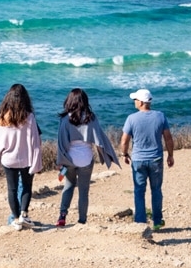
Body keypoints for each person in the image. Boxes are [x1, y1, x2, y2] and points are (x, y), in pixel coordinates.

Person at [56, 88, 119, 226]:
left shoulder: (65, 119)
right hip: (86, 159)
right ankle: (82, 220)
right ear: (85, 101)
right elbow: (99, 139)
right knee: (84, 190)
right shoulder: (91, 118)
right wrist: (106, 155)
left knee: (69, 185)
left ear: (69, 101)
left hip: (70, 159)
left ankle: (62, 215)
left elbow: (61, 143)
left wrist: (60, 162)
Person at [119, 89, 174, 231]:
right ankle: (157, 221)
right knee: (156, 190)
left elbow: (124, 141)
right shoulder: (160, 116)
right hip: (156, 158)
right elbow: (168, 138)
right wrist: (170, 155)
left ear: (142, 102)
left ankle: (140, 222)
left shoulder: (131, 118)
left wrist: (124, 154)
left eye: (135, 100)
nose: (134, 102)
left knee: (139, 191)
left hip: (138, 160)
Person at [0, 84, 42, 231]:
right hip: (26, 159)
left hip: (9, 159)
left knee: (12, 189)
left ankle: (15, 218)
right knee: (27, 186)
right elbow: (34, 140)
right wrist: (37, 161)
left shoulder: (2, 118)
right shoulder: (30, 117)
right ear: (25, 99)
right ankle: (24, 215)